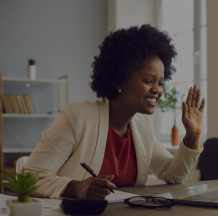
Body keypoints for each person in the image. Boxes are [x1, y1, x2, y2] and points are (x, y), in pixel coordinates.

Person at [23, 24, 205, 199]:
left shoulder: (143, 126)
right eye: (148, 81)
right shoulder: (77, 118)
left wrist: (192, 136)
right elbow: (28, 176)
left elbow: (171, 174)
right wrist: (75, 187)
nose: (157, 90)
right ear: (119, 80)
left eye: (161, 82)